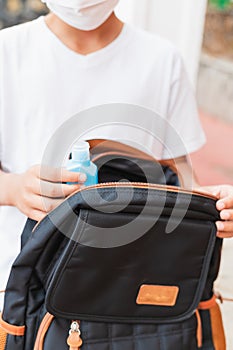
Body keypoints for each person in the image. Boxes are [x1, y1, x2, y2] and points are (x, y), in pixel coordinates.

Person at [0, 0, 233, 309]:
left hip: (128, 287)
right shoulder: (7, 52)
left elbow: (182, 181)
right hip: (19, 287)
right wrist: (13, 188)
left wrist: (212, 206)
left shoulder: (162, 61)